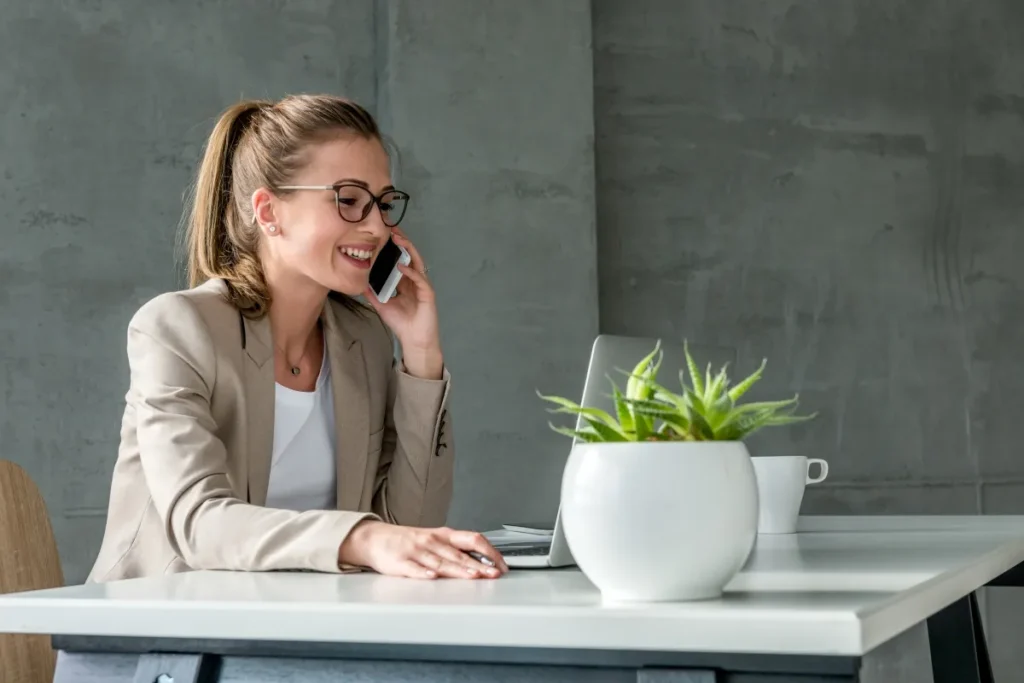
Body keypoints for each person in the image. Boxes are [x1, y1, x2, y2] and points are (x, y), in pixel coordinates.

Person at [87, 94, 508, 583]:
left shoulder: (362, 340)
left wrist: (420, 354)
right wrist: (362, 537)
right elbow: (199, 524)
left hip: (303, 631)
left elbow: (408, 528)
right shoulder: (177, 329)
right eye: (349, 200)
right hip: (159, 638)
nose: (376, 227)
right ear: (268, 212)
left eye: (384, 203)